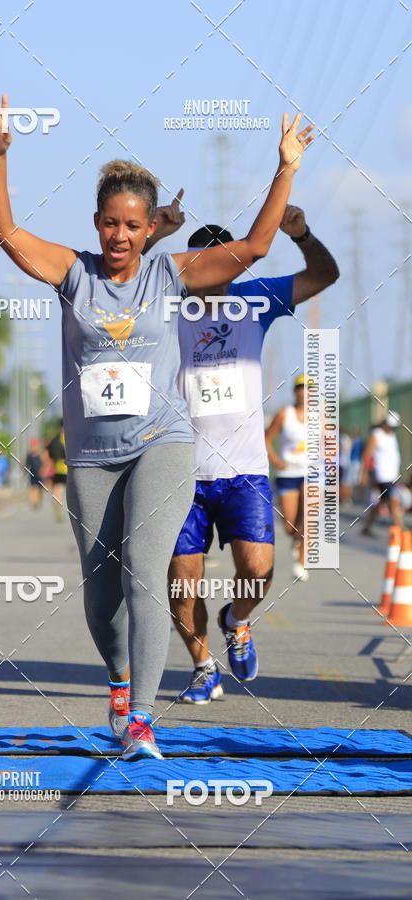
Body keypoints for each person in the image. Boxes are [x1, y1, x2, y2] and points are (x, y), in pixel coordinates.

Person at [0, 91, 313, 760]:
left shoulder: (170, 274)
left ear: (147, 228)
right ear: (98, 222)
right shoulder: (73, 274)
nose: (121, 238)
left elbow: (250, 247)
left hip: (163, 443)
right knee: (104, 596)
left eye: (133, 226)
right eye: (111, 224)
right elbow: (6, 235)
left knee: (144, 570)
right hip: (94, 457)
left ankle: (140, 724)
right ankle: (118, 679)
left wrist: (286, 170)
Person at [155, 207, 338, 704]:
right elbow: (122, 284)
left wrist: (300, 232)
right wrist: (155, 234)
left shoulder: (255, 299)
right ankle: (202, 667)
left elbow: (324, 275)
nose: (215, 272)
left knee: (257, 570)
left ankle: (236, 620)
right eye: (203, 263)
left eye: (227, 262)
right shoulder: (166, 304)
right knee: (181, 583)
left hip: (246, 471)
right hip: (181, 470)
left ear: (237, 263)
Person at [265, 375, 310, 581]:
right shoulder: (285, 414)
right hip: (287, 473)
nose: (304, 392)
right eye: (300, 388)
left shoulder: (320, 416)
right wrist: (275, 461)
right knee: (290, 525)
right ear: (295, 391)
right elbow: (267, 439)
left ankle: (301, 562)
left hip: (311, 473)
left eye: (308, 388)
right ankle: (295, 539)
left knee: (308, 518)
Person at [360, 412, 403, 536]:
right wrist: (363, 474)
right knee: (394, 502)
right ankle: (401, 531)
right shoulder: (376, 435)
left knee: (382, 502)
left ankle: (367, 526)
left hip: (392, 475)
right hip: (383, 476)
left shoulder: (392, 435)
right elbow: (367, 455)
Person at [46, 419, 68, 523]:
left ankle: (57, 507)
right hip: (70, 468)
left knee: (58, 490)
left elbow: (48, 452)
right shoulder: (72, 437)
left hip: (58, 468)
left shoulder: (55, 439)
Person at [25, 438, 44, 509]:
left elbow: (44, 463)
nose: (34, 447)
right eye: (33, 445)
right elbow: (27, 464)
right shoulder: (29, 455)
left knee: (40, 488)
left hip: (40, 473)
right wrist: (25, 471)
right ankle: (34, 501)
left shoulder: (41, 454)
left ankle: (39, 500)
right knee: (33, 487)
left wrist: (44, 470)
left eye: (35, 445)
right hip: (32, 473)